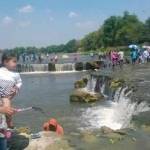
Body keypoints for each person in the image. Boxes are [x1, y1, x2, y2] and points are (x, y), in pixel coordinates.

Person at [0, 52, 22, 149]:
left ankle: (9, 128)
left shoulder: (16, 74)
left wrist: (16, 88)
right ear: (5, 62)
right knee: (4, 114)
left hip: (7, 96)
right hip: (2, 94)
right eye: (14, 61)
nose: (16, 63)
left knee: (8, 112)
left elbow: (19, 82)